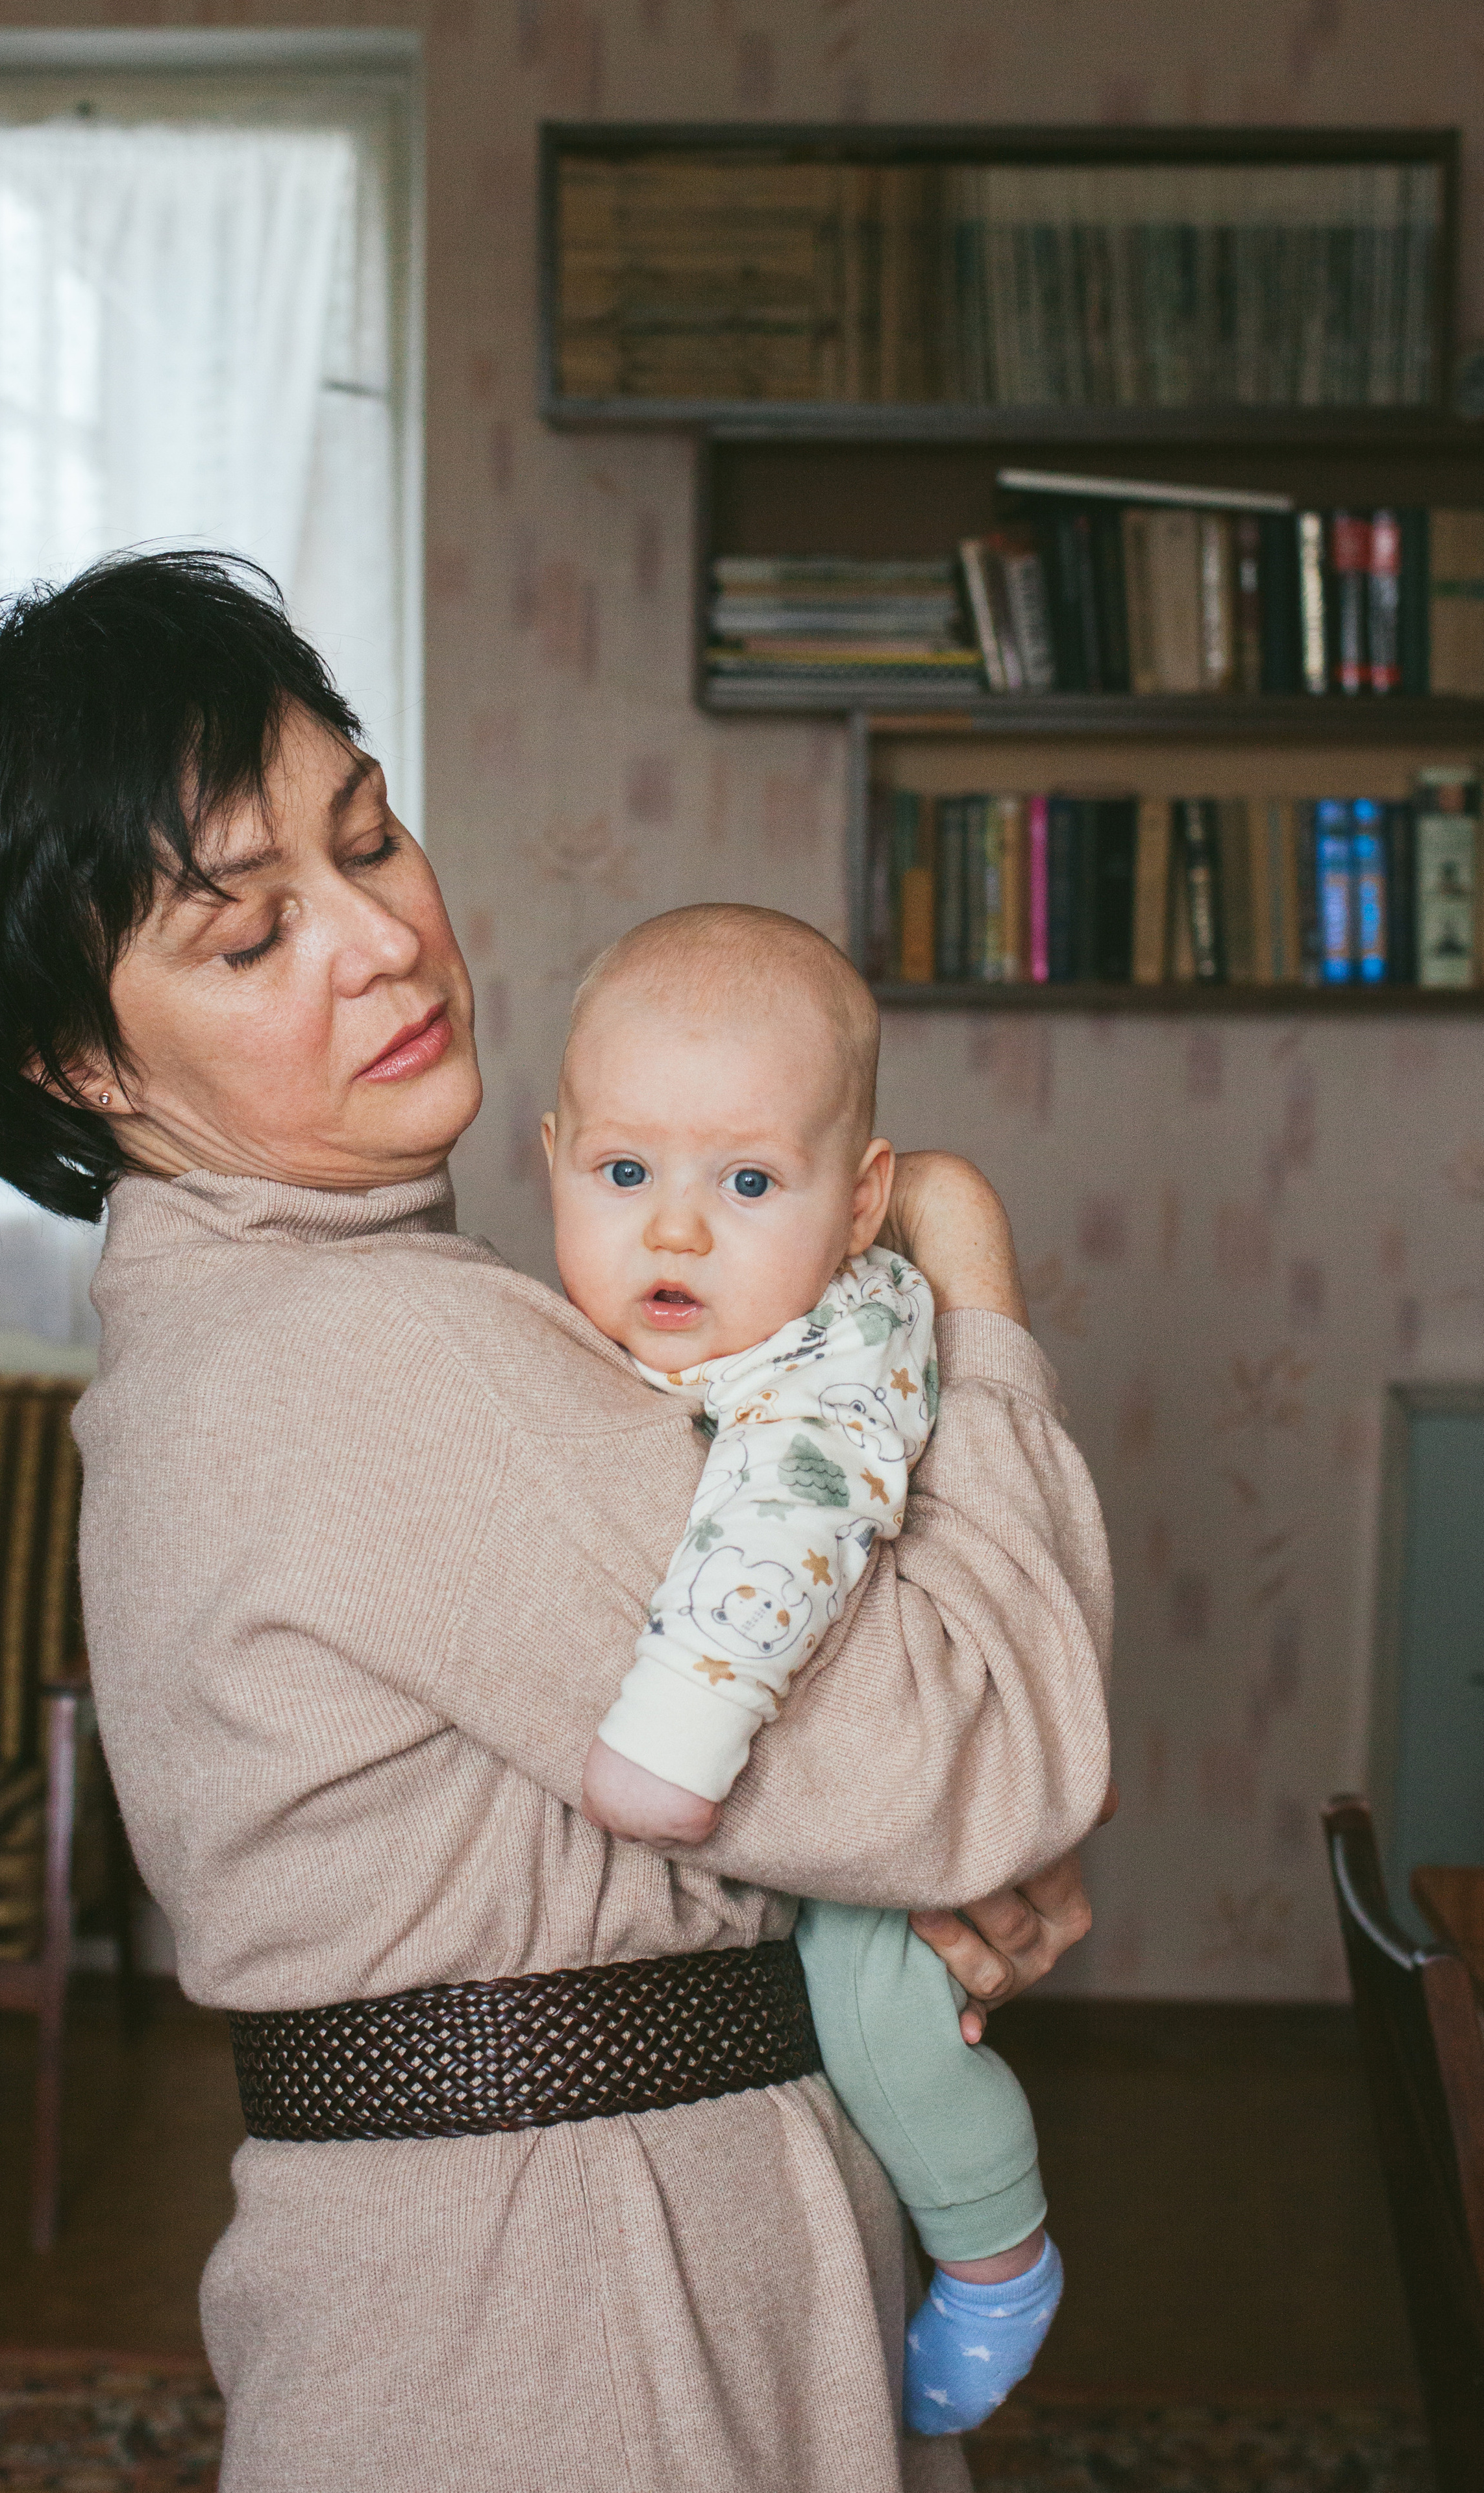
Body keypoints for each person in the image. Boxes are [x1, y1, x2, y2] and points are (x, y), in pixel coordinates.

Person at [0, 549, 1113, 2493]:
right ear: (85, 1067)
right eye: (249, 937)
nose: (382, 940)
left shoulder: (240, 1331)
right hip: (579, 2324)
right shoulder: (371, 1356)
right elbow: (990, 1761)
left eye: (369, 835)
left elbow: (849, 1804)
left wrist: (871, 1909)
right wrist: (971, 1277)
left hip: (541, 2269)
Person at [545, 905, 1064, 2438]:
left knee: (877, 1999)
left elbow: (782, 1533)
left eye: (749, 1181)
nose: (677, 1230)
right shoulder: (653, 1329)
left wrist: (675, 1732)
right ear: (556, 1151)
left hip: (869, 1764)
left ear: (859, 1205)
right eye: (623, 1173)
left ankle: (994, 2247)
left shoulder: (836, 1359)